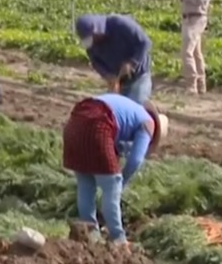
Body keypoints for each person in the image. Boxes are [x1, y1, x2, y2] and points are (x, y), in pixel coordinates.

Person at [62, 94, 168, 245]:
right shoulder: (148, 123)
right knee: (111, 186)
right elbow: (136, 160)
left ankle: (90, 235)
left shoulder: (130, 110)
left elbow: (117, 144)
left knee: (86, 183)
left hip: (75, 124)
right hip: (99, 124)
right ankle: (118, 239)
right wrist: (121, 182)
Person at [74, 13, 152, 104]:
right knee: (113, 110)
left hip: (139, 76)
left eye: (93, 38)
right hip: (120, 82)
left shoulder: (120, 24)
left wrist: (131, 63)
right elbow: (95, 62)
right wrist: (108, 76)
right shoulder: (91, 45)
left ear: (97, 30)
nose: (93, 42)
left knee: (136, 106)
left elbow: (145, 43)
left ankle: (155, 117)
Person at [173, 0, 214, 95]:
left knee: (187, 52)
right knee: (196, 53)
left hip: (196, 18)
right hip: (190, 17)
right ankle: (201, 85)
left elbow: (200, 1)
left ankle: (191, 85)